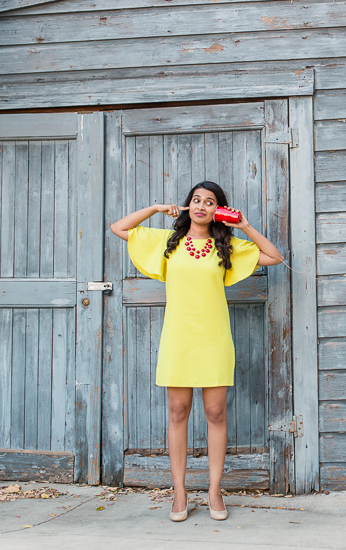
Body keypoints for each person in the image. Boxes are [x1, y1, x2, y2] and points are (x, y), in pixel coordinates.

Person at [110, 181, 284, 523]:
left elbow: (275, 257)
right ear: (188, 205)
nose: (202, 206)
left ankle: (214, 490)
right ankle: (179, 491)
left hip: (213, 337)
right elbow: (119, 228)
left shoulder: (227, 247)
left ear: (218, 209)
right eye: (196, 200)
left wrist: (244, 226)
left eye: (210, 202)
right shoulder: (168, 241)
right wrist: (157, 209)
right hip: (178, 337)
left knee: (216, 413)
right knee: (177, 412)